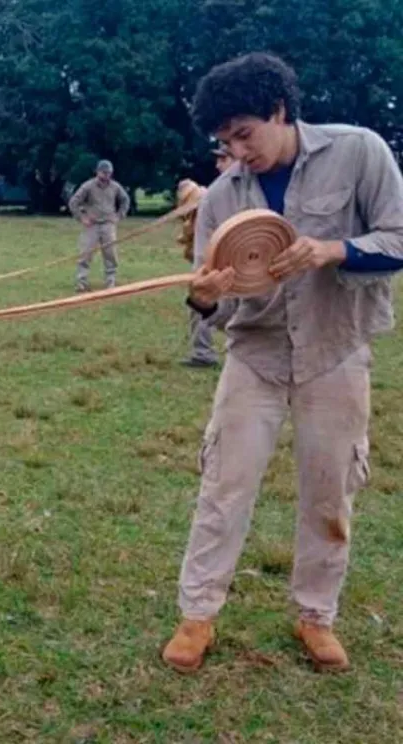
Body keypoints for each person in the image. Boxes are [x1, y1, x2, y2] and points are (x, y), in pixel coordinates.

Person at [162, 52, 403, 675]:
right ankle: (198, 615)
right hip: (257, 354)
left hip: (336, 349)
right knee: (225, 482)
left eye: (245, 133)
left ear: (280, 110)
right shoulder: (220, 195)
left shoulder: (361, 151)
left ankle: (315, 617)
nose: (239, 152)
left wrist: (331, 249)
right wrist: (203, 296)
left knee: (331, 489)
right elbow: (207, 301)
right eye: (225, 142)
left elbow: (398, 240)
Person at [180, 146, 237, 368]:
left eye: (223, 158)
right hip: (212, 265)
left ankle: (207, 353)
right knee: (200, 304)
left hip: (237, 267)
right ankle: (203, 352)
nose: (217, 164)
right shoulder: (215, 195)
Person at [68, 160, 130, 291]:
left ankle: (110, 281)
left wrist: (119, 216)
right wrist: (82, 218)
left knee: (110, 254)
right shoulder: (88, 186)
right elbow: (73, 202)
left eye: (109, 173)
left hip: (108, 224)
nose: (106, 175)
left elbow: (125, 200)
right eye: (104, 172)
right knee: (86, 253)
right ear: (97, 172)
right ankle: (81, 281)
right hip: (92, 225)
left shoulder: (115, 187)